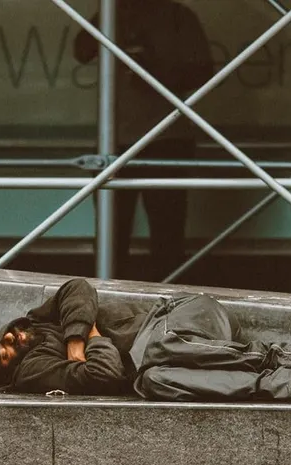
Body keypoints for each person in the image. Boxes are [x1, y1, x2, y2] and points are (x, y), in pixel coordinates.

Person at [0, 278, 291, 403]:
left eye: (6, 337)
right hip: (167, 358)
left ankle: (290, 356)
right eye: (7, 352)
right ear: (4, 370)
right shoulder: (34, 371)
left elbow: (78, 287)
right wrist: (94, 335)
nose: (14, 339)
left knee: (157, 349)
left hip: (187, 313)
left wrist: (77, 339)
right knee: (155, 381)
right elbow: (106, 371)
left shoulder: (38, 320)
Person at [73, 0, 214, 282]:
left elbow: (203, 70)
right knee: (111, 235)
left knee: (167, 235)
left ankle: (168, 307)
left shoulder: (177, 16)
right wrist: (111, 19)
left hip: (167, 138)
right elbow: (81, 51)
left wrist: (155, 74)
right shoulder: (111, 12)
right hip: (114, 140)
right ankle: (106, 304)